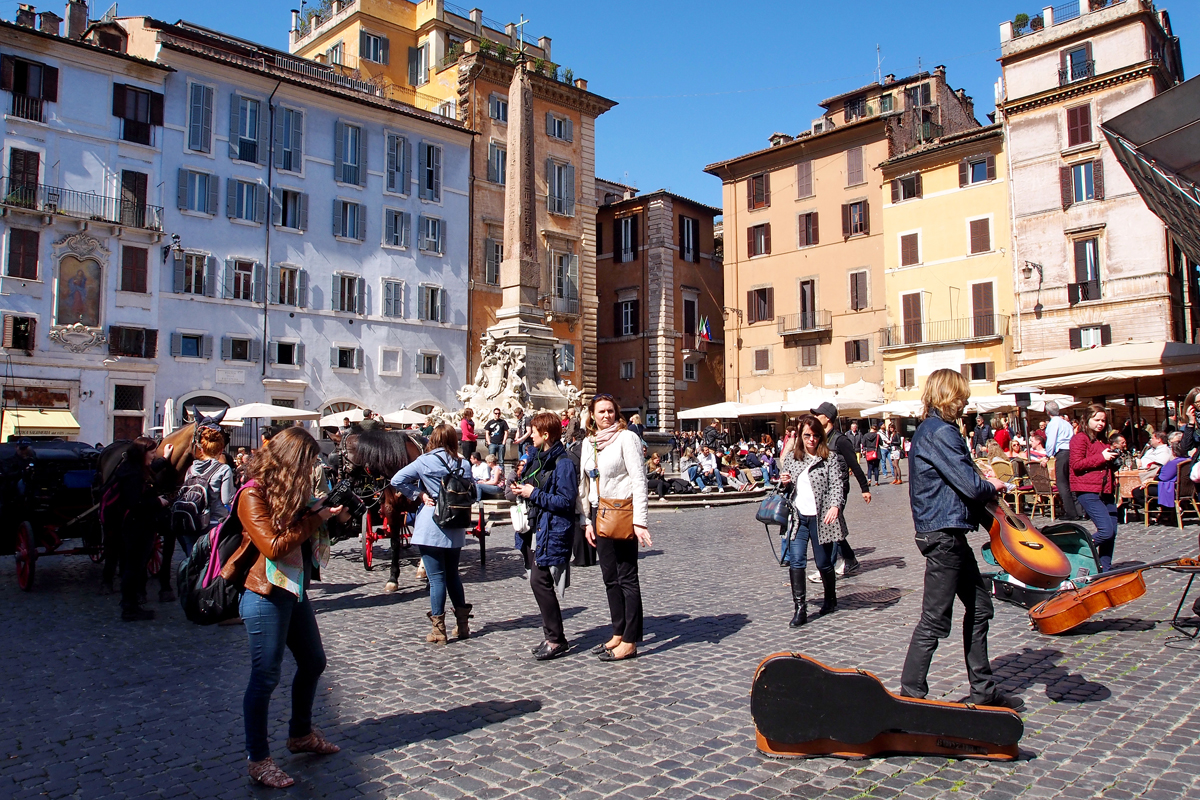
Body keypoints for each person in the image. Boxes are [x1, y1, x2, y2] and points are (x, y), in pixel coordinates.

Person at [898, 370, 1022, 711]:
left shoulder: (932, 429)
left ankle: (983, 692)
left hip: (947, 532)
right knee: (934, 620)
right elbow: (969, 486)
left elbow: (959, 478)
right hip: (943, 535)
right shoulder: (941, 431)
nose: (965, 402)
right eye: (960, 397)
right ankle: (910, 698)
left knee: (980, 608)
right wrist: (993, 485)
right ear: (946, 397)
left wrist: (977, 476)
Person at [233, 427, 347, 788]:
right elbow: (273, 547)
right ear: (289, 461)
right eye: (307, 463)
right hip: (264, 593)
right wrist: (314, 518)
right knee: (265, 676)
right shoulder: (252, 495)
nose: (310, 470)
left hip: (292, 587)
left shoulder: (289, 492)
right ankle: (258, 758)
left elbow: (299, 530)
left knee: (314, 661)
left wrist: (328, 513)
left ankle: (300, 734)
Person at [580, 393, 651, 662]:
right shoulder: (589, 443)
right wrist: (586, 519)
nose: (606, 415)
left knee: (627, 577)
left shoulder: (627, 438)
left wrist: (640, 520)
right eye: (601, 412)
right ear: (592, 416)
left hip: (622, 511)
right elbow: (584, 484)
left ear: (616, 413)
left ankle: (630, 640)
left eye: (610, 411)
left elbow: (639, 480)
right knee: (609, 577)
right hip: (599, 513)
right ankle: (618, 632)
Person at [391, 424, 477, 643]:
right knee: (453, 575)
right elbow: (473, 492)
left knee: (436, 578)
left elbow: (397, 480)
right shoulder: (463, 463)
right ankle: (463, 625)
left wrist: (419, 494)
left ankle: (439, 630)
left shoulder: (424, 460)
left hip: (432, 522)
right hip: (455, 525)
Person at [510, 412, 578, 660]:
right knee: (538, 581)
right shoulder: (535, 458)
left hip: (549, 529)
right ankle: (553, 635)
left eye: (534, 432)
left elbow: (565, 501)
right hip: (534, 527)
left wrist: (532, 494)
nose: (530, 435)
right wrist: (519, 488)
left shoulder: (564, 463)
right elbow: (531, 486)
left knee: (540, 582)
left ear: (546, 434)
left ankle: (556, 639)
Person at [778, 416, 846, 627]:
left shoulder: (829, 458)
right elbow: (785, 489)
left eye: (816, 435)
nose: (811, 439)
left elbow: (837, 485)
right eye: (807, 435)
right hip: (798, 518)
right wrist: (784, 482)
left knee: (823, 562)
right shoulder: (792, 458)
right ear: (800, 436)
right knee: (797, 561)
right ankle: (800, 608)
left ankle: (830, 597)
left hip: (821, 518)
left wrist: (835, 505)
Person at [112, 437, 171, 621]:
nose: (154, 456)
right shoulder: (132, 474)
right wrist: (158, 502)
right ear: (142, 453)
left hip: (139, 524)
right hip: (136, 525)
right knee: (133, 567)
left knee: (135, 566)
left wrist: (165, 459)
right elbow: (135, 502)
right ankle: (129, 607)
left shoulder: (135, 469)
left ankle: (131, 604)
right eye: (152, 453)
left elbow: (149, 471)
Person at [810, 403, 868, 579]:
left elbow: (854, 465)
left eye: (818, 414)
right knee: (836, 527)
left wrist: (864, 489)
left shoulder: (840, 440)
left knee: (831, 524)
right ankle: (850, 560)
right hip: (821, 490)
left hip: (838, 489)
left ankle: (826, 569)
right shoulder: (818, 438)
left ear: (827, 418)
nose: (815, 417)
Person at [1070, 404, 1120, 573]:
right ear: (1087, 419)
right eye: (1097, 420)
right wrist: (1101, 457)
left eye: (1103, 420)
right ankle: (1075, 551)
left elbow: (1101, 464)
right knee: (1105, 531)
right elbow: (1076, 464)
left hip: (1105, 490)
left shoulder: (1102, 440)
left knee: (1111, 533)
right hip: (1088, 490)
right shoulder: (1080, 438)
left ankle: (1104, 569)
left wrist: (1112, 460)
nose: (1101, 423)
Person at [178, 425, 236, 558]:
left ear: (201, 449)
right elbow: (226, 499)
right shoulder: (224, 469)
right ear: (221, 450)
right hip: (213, 522)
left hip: (191, 520)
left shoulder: (191, 469)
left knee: (192, 561)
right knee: (209, 563)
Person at [1044, 401, 1083, 521]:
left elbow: (1051, 440)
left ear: (1048, 412)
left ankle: (1071, 512)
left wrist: (1047, 455)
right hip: (1071, 451)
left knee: (1062, 483)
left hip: (1062, 452)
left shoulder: (1053, 424)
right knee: (1071, 482)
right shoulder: (1066, 423)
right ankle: (1079, 510)